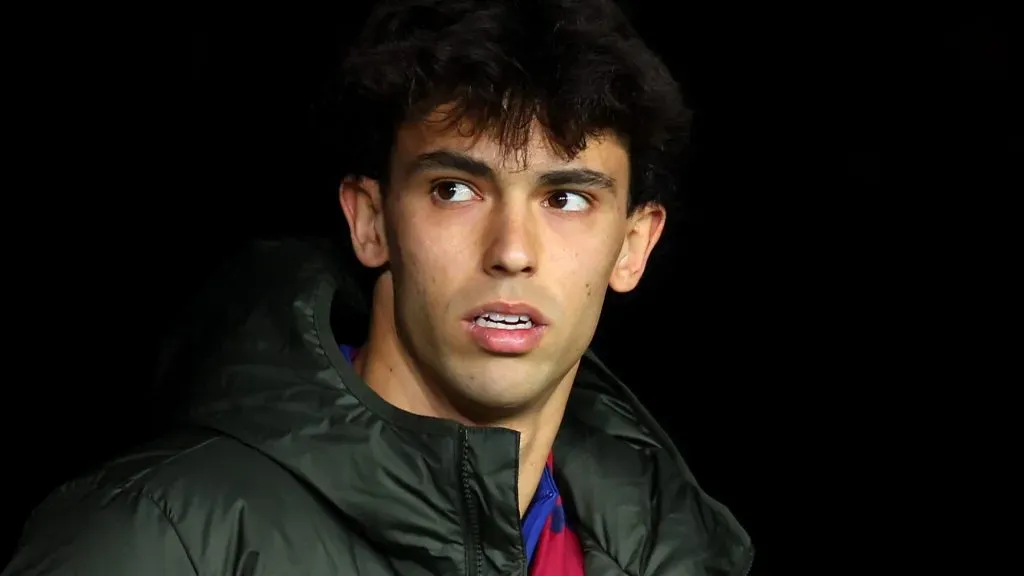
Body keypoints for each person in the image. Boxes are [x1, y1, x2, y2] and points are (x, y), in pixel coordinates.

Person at [4, 0, 753, 574]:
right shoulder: (156, 538)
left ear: (633, 246)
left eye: (565, 199)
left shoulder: (681, 550)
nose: (512, 252)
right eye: (456, 190)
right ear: (370, 221)